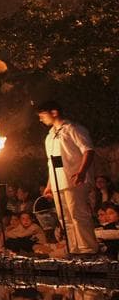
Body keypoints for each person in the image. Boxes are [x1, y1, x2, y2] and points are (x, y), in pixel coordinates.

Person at [39, 100, 99, 257]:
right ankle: (74, 249)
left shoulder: (73, 128)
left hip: (74, 179)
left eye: (42, 115)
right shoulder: (50, 136)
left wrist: (82, 171)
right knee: (64, 217)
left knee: (78, 215)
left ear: (54, 112)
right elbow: (51, 162)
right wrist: (49, 185)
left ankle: (88, 250)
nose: (40, 119)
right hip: (59, 182)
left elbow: (88, 150)